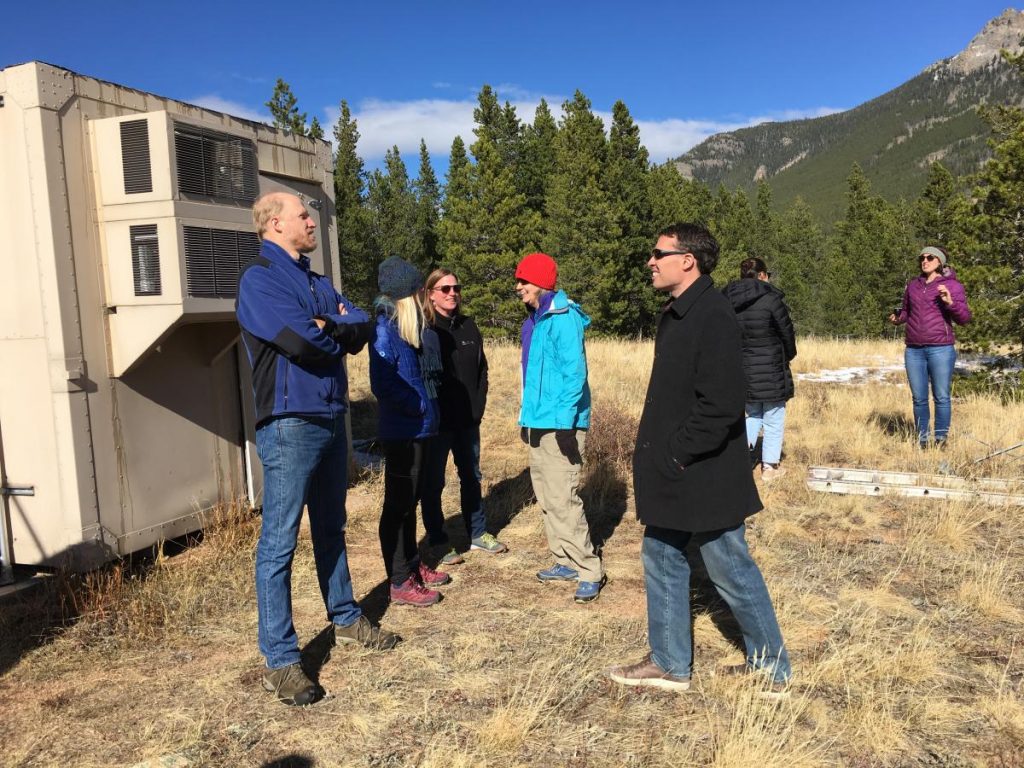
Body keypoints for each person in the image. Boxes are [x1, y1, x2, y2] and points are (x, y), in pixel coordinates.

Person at [608, 223, 791, 696]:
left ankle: (773, 669)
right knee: (662, 553)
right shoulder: (682, 311)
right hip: (680, 468)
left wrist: (676, 453)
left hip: (701, 468)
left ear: (687, 260)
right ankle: (670, 663)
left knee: (729, 564)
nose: (650, 261)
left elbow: (723, 404)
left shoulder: (712, 314)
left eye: (658, 253)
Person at [237, 192, 397, 707]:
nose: (312, 221)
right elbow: (302, 341)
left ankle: (346, 618)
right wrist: (331, 327)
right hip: (289, 424)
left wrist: (337, 324)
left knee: (332, 526)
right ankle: (281, 660)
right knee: (280, 540)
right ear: (275, 223)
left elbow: (363, 328)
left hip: (331, 418)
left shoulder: (316, 281)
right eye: (304, 216)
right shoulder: (260, 281)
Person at [515, 252, 604, 604]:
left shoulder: (563, 318)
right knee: (547, 495)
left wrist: (567, 424)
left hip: (560, 424)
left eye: (523, 280)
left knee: (564, 497)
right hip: (538, 421)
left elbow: (574, 374)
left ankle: (588, 569)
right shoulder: (533, 321)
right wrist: (526, 418)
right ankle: (563, 560)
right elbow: (530, 376)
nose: (518, 287)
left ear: (541, 282)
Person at [370, 255, 451, 607]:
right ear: (406, 296)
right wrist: (419, 404)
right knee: (398, 507)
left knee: (410, 502)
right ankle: (400, 579)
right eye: (419, 291)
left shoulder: (408, 331)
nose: (423, 298)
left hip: (418, 429)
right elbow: (383, 383)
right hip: (402, 430)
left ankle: (413, 566)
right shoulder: (385, 329)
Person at [419, 268, 507, 565]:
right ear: (431, 294)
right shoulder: (425, 328)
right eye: (445, 289)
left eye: (456, 287)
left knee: (471, 476)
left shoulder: (469, 326)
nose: (452, 293)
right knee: (433, 482)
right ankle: (438, 540)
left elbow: (482, 369)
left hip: (468, 420)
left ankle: (478, 533)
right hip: (437, 422)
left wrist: (479, 405)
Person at [722, 257, 797, 482]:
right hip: (771, 366)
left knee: (752, 413)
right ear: (762, 275)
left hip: (741, 366)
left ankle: (739, 459)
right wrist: (789, 354)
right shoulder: (771, 298)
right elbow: (787, 332)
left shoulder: (726, 299)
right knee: (774, 416)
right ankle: (769, 467)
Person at [889, 246, 971, 448]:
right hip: (914, 349)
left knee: (941, 396)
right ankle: (922, 440)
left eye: (930, 257)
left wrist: (950, 302)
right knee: (918, 398)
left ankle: (941, 440)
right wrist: (898, 319)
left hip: (941, 349)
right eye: (922, 258)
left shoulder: (952, 285)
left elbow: (964, 318)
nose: (925, 261)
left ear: (940, 262)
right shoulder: (913, 286)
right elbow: (907, 312)